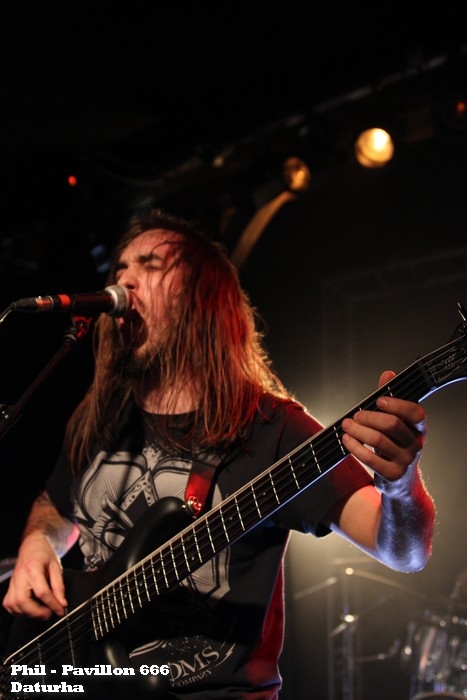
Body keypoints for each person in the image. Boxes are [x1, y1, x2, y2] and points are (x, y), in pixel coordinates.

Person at [2, 208, 435, 699]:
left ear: (200, 297)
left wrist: (401, 488)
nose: (124, 280)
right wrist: (37, 544)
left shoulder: (272, 429)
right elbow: (55, 505)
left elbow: (405, 552)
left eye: (149, 265)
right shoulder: (100, 417)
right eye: (120, 267)